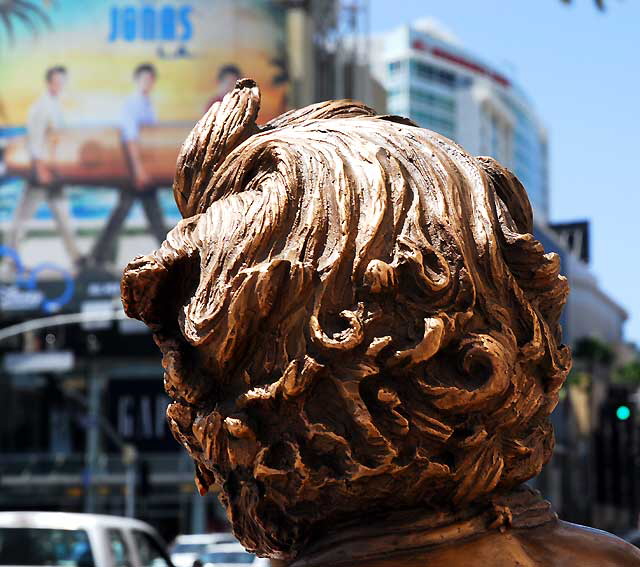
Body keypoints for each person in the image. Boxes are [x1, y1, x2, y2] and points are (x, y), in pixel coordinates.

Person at [89, 63, 166, 270]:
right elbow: (130, 138)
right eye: (144, 79)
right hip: (133, 170)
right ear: (137, 80)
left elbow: (150, 140)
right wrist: (139, 170)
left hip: (143, 169)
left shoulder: (148, 104)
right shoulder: (132, 104)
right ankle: (98, 257)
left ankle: (98, 257)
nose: (147, 83)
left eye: (150, 79)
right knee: (128, 214)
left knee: (149, 214)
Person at [6, 65, 81, 268]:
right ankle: (9, 258)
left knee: (64, 216)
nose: (60, 85)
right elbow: (35, 141)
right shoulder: (41, 107)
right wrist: (40, 170)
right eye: (57, 81)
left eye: (62, 81)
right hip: (41, 172)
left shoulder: (55, 105)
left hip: (52, 171)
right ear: (49, 82)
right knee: (23, 218)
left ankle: (76, 258)